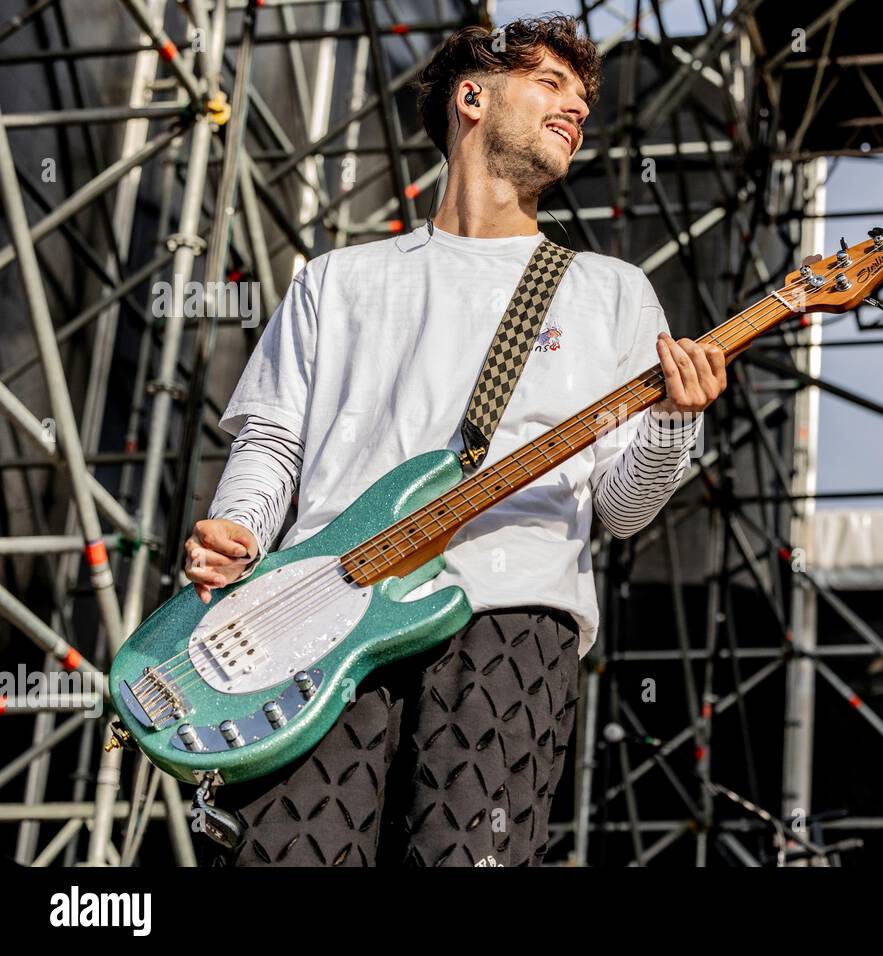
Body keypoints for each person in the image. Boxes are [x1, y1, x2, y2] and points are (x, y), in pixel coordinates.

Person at [183, 14, 726, 867]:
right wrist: (242, 529)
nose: (576, 109)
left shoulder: (610, 292)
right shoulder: (339, 279)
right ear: (472, 98)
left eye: (584, 100)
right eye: (550, 83)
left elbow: (622, 510)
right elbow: (273, 442)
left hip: (509, 623)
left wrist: (674, 421)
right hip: (319, 616)